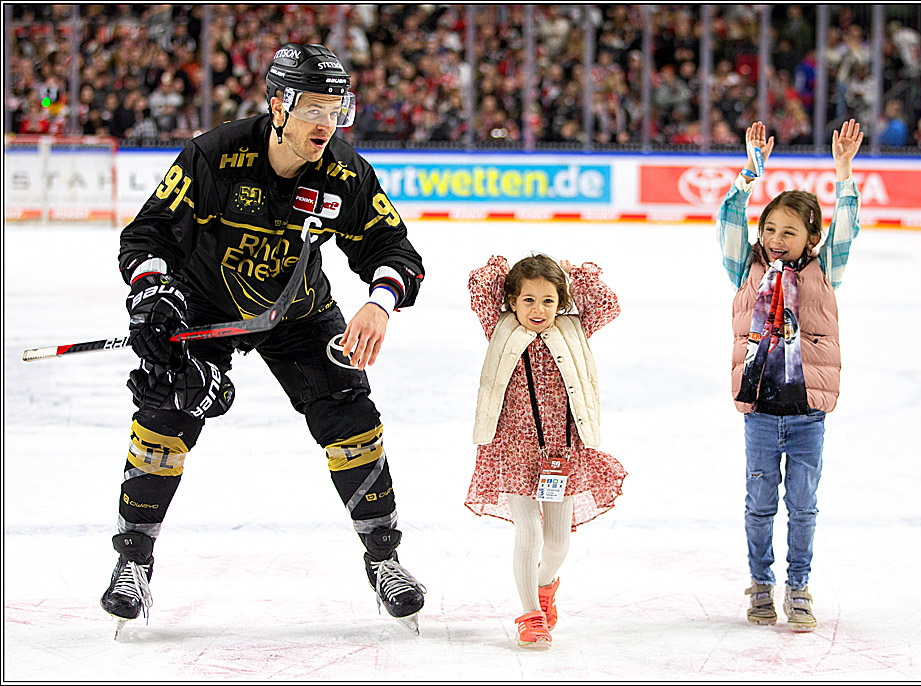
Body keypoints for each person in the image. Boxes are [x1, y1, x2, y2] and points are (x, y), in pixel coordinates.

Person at [101, 43, 427, 636]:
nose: (327, 125)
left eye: (338, 110)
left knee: (351, 416)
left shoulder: (344, 173)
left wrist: (380, 302)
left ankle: (385, 558)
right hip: (204, 309)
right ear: (278, 104)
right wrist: (151, 293)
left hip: (298, 314)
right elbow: (147, 234)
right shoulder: (213, 156)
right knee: (163, 415)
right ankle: (133, 562)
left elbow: (394, 250)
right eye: (315, 110)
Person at [716, 119, 863, 633]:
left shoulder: (825, 272)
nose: (777, 239)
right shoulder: (745, 267)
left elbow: (849, 228)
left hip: (807, 414)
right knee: (760, 504)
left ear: (811, 238)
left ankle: (798, 587)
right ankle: (760, 584)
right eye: (771, 229)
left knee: (802, 506)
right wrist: (750, 174)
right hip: (760, 410)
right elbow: (729, 218)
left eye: (789, 231)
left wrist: (843, 174)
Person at [465, 254, 626, 648]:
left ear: (562, 302)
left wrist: (574, 274)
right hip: (515, 449)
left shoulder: (574, 328)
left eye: (548, 300)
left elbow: (608, 303)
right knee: (529, 531)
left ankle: (543, 588)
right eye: (528, 300)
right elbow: (479, 285)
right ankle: (529, 615)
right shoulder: (499, 326)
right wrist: (509, 272)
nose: (538, 310)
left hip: (562, 451)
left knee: (557, 542)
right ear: (512, 302)